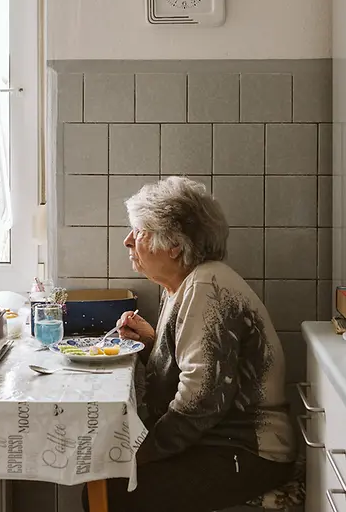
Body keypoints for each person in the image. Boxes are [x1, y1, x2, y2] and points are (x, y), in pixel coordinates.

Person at [83, 177, 296, 512]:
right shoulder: (185, 284)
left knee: (111, 492)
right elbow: (203, 369)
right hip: (224, 444)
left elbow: (201, 401)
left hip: (248, 452)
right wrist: (154, 343)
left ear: (174, 246)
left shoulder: (205, 286)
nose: (127, 241)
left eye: (139, 231)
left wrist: (141, 450)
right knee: (106, 481)